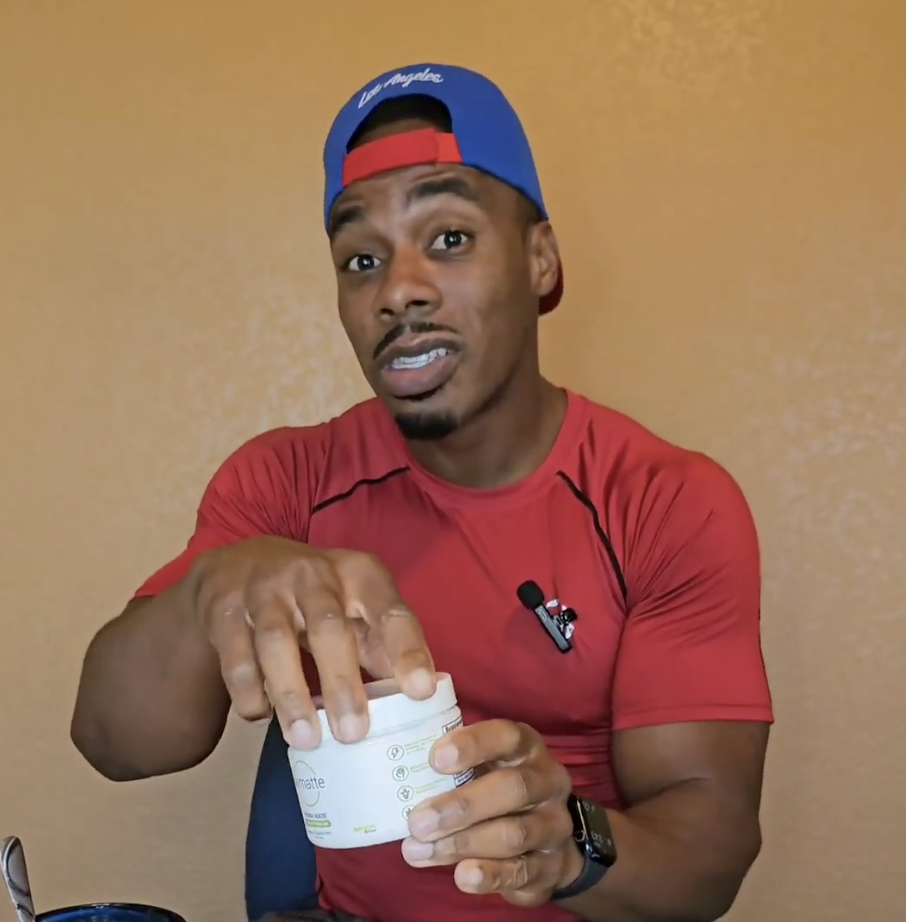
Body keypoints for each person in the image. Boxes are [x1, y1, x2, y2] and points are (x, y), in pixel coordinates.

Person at [70, 62, 773, 922]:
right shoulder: (288, 483)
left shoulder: (663, 502)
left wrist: (571, 842)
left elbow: (709, 851)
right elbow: (114, 744)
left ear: (541, 260)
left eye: (448, 238)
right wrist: (211, 590)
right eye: (360, 258)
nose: (396, 290)